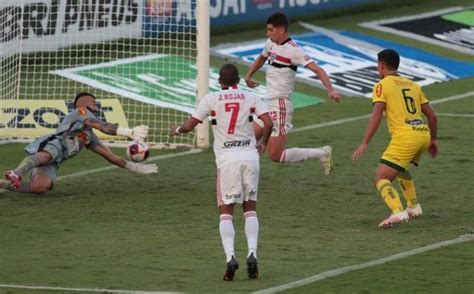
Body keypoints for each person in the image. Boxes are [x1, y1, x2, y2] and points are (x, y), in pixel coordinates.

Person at [170, 64, 273, 281]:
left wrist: (177, 130)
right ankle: (253, 254)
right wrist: (262, 142)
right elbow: (269, 122)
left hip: (227, 160)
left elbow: (190, 125)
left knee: (226, 211)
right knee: (250, 209)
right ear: (238, 80)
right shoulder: (250, 96)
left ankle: (230, 257)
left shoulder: (211, 99)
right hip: (250, 157)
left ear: (220, 81)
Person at [1, 92, 158, 194]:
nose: (96, 108)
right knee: (47, 155)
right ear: (85, 102)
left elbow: (109, 156)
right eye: (94, 103)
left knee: (40, 187)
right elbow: (102, 126)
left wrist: (135, 167)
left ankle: (2, 184)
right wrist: (128, 132)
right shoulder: (80, 112)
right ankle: (17, 173)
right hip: (55, 144)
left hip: (57, 160)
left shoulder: (89, 136)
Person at [245, 12, 341, 174]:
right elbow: (262, 58)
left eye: (270, 30)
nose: (268, 34)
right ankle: (244, 176)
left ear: (281, 30)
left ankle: (322, 153)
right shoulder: (270, 43)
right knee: (247, 141)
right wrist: (248, 76)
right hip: (266, 102)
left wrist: (330, 90)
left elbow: (318, 70)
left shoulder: (294, 51)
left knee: (275, 155)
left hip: (280, 105)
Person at [351, 49, 438, 228]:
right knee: (400, 168)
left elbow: (376, 117)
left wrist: (364, 143)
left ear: (381, 65)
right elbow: (433, 117)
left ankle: (397, 212)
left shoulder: (382, 85)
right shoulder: (413, 85)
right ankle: (414, 207)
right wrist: (433, 140)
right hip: (423, 134)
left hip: (406, 137)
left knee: (381, 178)